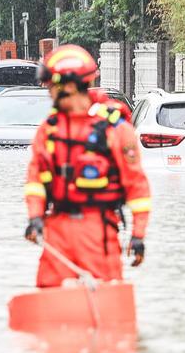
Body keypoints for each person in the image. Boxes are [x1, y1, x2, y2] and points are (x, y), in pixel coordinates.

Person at [24, 44, 151, 287]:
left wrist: (138, 235)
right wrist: (35, 218)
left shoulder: (116, 131)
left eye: (52, 87)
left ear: (69, 86)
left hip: (99, 232)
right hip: (57, 231)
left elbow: (137, 187)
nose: (49, 93)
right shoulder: (49, 130)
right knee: (49, 293)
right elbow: (35, 180)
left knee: (104, 292)